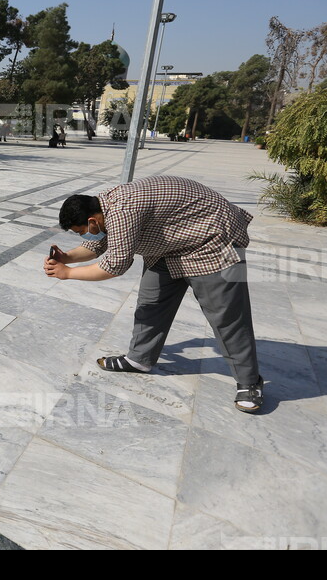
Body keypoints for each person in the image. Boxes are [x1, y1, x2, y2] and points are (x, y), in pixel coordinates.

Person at [43, 175, 264, 414]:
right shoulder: (103, 209)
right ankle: (139, 360)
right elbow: (98, 244)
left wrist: (68, 273)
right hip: (170, 245)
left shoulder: (122, 210)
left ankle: (249, 381)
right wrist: (67, 258)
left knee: (228, 316)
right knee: (151, 302)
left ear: (91, 220)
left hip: (213, 241)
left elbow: (115, 264)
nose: (82, 236)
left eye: (81, 231)